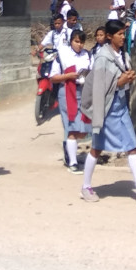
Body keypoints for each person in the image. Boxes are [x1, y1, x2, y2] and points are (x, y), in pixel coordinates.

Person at [78, 19, 136, 204]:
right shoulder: (102, 58)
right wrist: (119, 83)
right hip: (107, 109)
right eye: (120, 34)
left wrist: (128, 78)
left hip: (121, 108)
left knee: (132, 146)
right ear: (110, 36)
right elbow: (99, 88)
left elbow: (121, 77)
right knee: (97, 148)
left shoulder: (122, 55)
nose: (123, 37)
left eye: (124, 34)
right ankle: (86, 187)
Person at [49, 29, 92, 172]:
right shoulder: (62, 55)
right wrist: (68, 76)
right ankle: (72, 162)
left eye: (82, 42)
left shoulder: (87, 55)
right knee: (72, 127)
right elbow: (53, 77)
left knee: (84, 129)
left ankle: (69, 148)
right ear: (71, 41)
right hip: (68, 92)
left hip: (84, 92)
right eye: (76, 41)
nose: (79, 45)